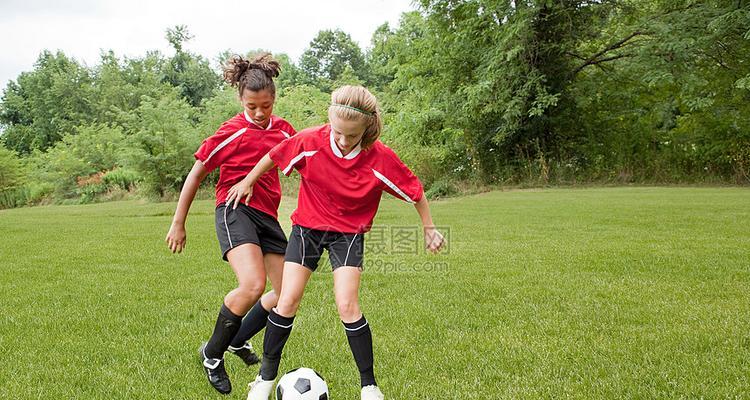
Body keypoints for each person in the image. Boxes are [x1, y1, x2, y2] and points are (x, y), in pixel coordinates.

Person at [226, 85, 446, 400]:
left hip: (348, 233)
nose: (342, 141)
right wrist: (248, 181)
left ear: (367, 129)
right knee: (287, 300)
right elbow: (274, 155)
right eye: (338, 132)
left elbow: (415, 191)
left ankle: (369, 386)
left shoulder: (379, 157)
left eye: (352, 136)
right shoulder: (311, 141)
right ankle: (263, 381)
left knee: (347, 304)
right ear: (331, 120)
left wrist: (429, 228)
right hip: (308, 228)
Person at [165, 53, 296, 394]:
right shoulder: (231, 132)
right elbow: (196, 174)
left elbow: (305, 163)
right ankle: (212, 354)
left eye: (265, 105)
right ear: (240, 99)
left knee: (285, 295)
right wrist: (178, 222)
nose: (258, 112)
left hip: (268, 216)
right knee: (252, 284)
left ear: (274, 99)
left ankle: (236, 341)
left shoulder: (284, 131)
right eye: (252, 105)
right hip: (233, 209)